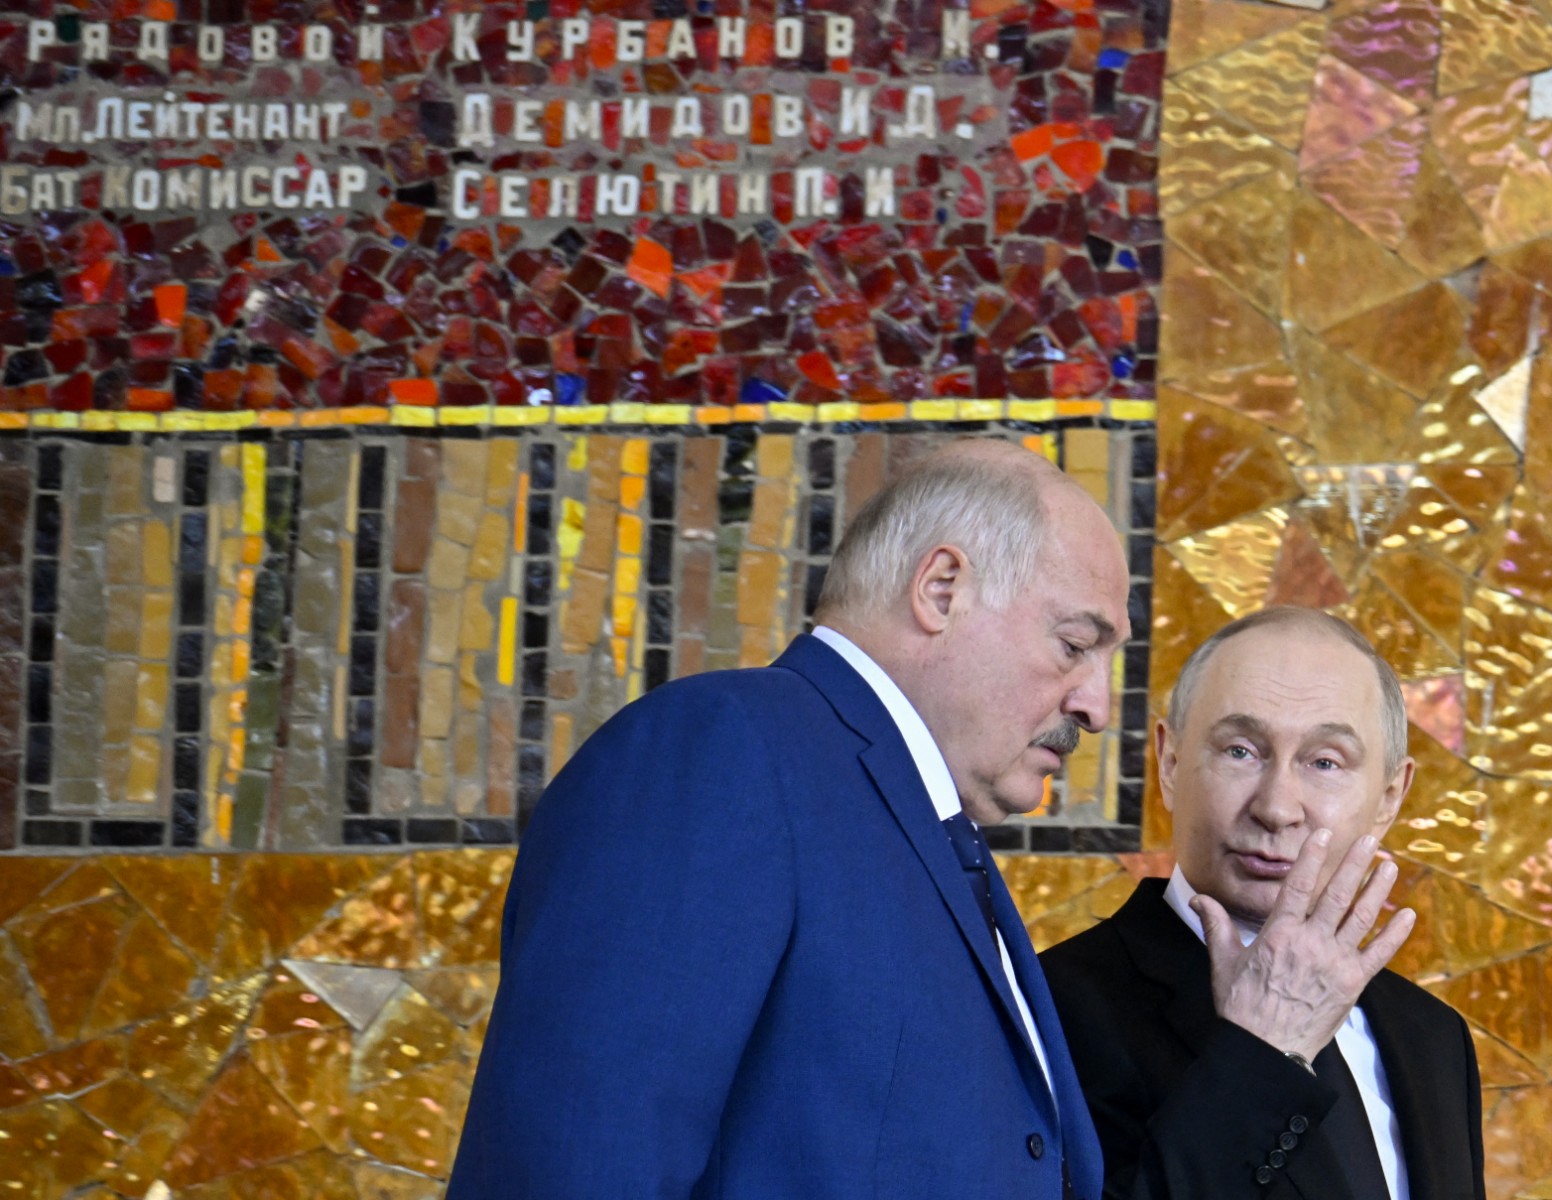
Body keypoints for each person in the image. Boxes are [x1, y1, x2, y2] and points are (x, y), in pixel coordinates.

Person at [448, 438, 1130, 1199]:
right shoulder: (718, 752)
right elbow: (577, 1164)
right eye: (1074, 645)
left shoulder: (924, 828)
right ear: (941, 589)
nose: (1095, 707)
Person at [1040, 607, 1484, 1200]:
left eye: (1325, 762)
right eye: (1241, 751)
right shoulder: (1050, 1010)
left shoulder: (1433, 1038)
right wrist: (1264, 1050)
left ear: (1390, 795)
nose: (1277, 807)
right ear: (1169, 763)